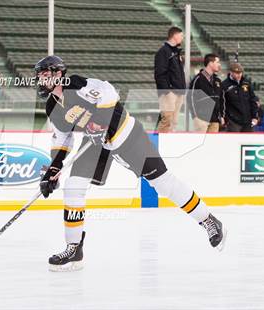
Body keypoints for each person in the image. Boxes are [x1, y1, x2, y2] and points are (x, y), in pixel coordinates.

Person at [35, 55, 226, 272]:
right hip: (97, 143)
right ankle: (74, 247)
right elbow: (63, 138)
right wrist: (53, 168)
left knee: (163, 183)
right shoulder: (52, 106)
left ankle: (208, 220)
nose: (41, 79)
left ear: (59, 74)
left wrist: (100, 120)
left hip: (128, 135)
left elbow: (108, 92)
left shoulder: (76, 84)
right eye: (39, 76)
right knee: (73, 186)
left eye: (45, 74)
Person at [154, 26, 186, 133]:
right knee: (167, 119)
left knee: (174, 121)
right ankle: (155, 145)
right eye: (181, 35)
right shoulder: (164, 51)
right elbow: (160, 74)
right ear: (175, 36)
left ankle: (168, 146)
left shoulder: (176, 52)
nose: (183, 38)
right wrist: (166, 91)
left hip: (178, 91)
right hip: (169, 92)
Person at [188, 54, 224, 132]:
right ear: (210, 63)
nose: (219, 64)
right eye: (217, 62)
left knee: (212, 144)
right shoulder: (197, 79)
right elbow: (190, 98)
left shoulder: (218, 80)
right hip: (201, 119)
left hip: (215, 120)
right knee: (200, 143)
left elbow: (221, 99)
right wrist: (195, 116)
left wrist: (221, 116)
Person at [220, 63, 258, 132]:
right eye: (236, 73)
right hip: (233, 122)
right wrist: (225, 118)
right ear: (231, 72)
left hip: (248, 121)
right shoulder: (224, 85)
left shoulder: (246, 83)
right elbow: (222, 103)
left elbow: (253, 100)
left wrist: (255, 116)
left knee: (249, 142)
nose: (239, 75)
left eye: (240, 72)